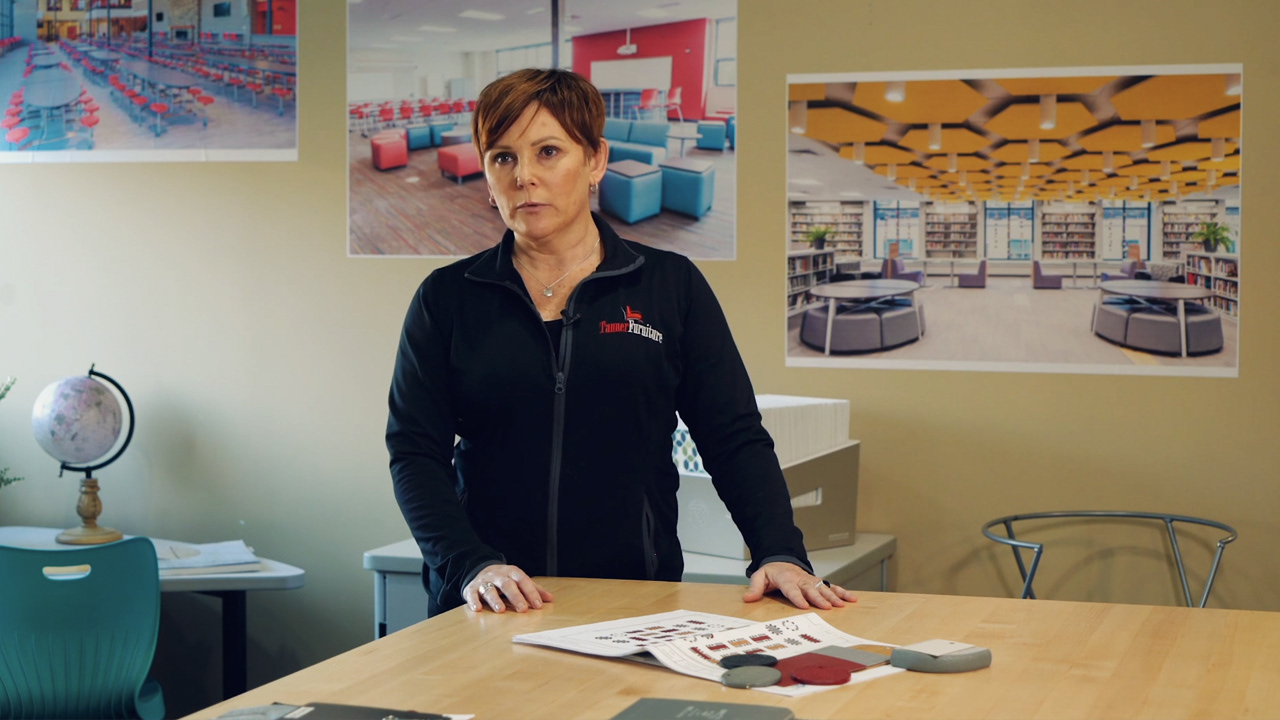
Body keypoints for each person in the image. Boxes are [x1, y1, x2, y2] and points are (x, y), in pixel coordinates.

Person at [386, 68, 856, 617]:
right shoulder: (447, 297)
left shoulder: (670, 286)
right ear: (487, 176)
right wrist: (469, 564)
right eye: (503, 157)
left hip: (634, 596)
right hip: (488, 600)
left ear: (595, 161)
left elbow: (732, 436)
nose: (524, 176)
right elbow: (415, 452)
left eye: (548, 152)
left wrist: (779, 550)